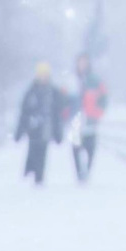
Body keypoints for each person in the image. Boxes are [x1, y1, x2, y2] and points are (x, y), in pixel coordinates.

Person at [15, 64, 67, 185]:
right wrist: (20, 130)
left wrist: (58, 133)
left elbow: (58, 113)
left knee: (43, 151)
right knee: (33, 149)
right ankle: (32, 171)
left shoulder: (53, 92)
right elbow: (24, 112)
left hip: (46, 128)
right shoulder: (31, 91)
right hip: (33, 128)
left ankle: (39, 176)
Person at [70, 54, 108, 182]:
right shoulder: (72, 80)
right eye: (80, 62)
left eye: (84, 62)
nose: (82, 65)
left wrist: (98, 112)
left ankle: (87, 171)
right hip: (76, 122)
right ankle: (80, 175)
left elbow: (104, 98)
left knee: (90, 148)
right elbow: (65, 100)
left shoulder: (95, 81)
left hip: (91, 121)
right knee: (75, 148)